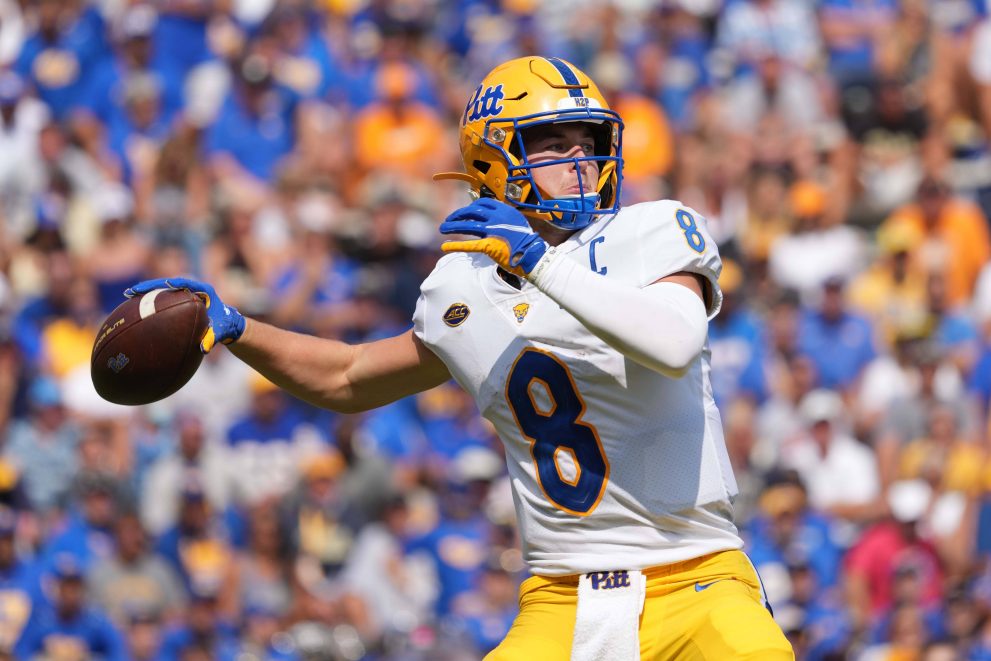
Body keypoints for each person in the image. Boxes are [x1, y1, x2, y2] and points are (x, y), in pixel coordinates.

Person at [127, 56, 793, 659]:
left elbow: (674, 341)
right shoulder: (460, 286)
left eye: (585, 141)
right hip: (558, 599)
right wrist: (242, 328)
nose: (579, 159)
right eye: (552, 143)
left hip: (697, 576)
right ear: (493, 159)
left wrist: (539, 264)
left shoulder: (648, 229)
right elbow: (348, 375)